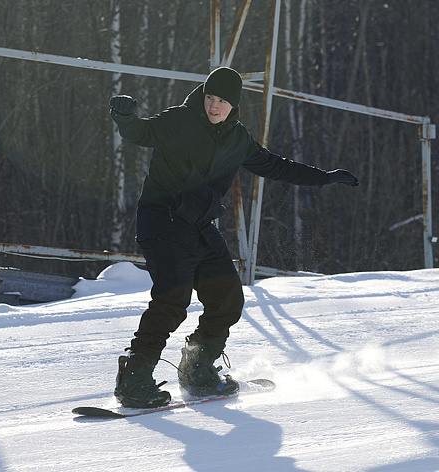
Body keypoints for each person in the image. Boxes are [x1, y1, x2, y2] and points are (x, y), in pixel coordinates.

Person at [109, 67, 359, 408]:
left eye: (222, 102)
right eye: (210, 98)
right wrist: (125, 117)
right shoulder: (180, 120)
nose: (214, 106)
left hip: (199, 226)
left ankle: (197, 368)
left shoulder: (237, 139)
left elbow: (275, 165)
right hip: (163, 221)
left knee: (227, 297)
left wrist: (324, 178)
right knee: (173, 298)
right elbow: (142, 132)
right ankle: (134, 379)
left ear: (234, 106)